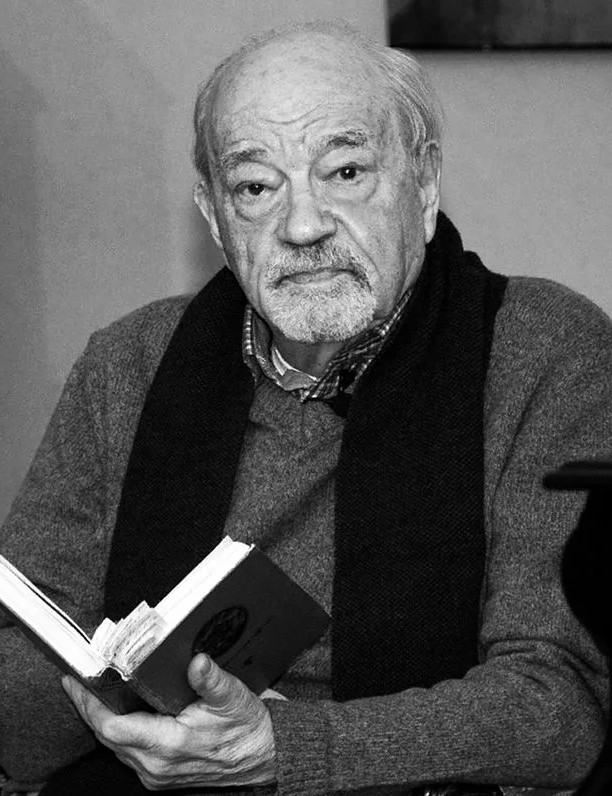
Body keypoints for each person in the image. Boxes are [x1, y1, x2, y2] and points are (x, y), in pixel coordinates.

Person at [1, 20, 611, 796]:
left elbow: (558, 706)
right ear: (215, 216)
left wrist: (286, 749)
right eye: (257, 188)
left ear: (424, 183)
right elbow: (21, 684)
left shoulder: (544, 349)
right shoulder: (129, 365)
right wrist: (108, 689)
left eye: (345, 172)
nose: (302, 226)